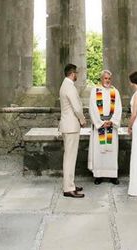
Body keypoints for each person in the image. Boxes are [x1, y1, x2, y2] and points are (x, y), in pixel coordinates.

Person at [88, 69, 122, 185]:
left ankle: (113, 176)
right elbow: (92, 107)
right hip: (100, 125)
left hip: (111, 125)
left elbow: (118, 108)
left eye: (109, 78)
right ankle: (99, 175)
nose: (107, 80)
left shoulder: (115, 91)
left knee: (111, 152)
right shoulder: (95, 91)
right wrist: (100, 122)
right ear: (101, 79)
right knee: (100, 151)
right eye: (105, 78)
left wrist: (112, 121)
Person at [59, 63, 86, 198]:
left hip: (67, 125)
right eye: (76, 74)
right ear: (72, 73)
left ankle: (71, 184)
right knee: (70, 158)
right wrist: (82, 120)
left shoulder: (65, 85)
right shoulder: (69, 86)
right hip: (71, 126)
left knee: (69, 157)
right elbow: (76, 107)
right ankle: (68, 188)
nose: (77, 76)